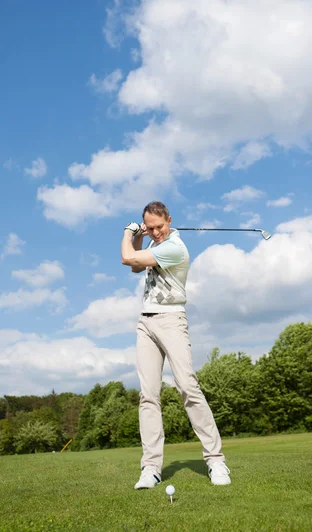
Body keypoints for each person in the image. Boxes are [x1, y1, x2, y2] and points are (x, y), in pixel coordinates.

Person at [121, 200, 231, 489]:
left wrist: (128, 232)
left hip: (171, 321)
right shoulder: (156, 245)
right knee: (148, 395)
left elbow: (127, 260)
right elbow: (136, 268)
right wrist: (140, 235)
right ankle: (151, 468)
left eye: (159, 227)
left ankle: (216, 460)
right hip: (146, 322)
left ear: (169, 220)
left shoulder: (174, 248)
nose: (156, 232)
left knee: (187, 385)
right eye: (151, 228)